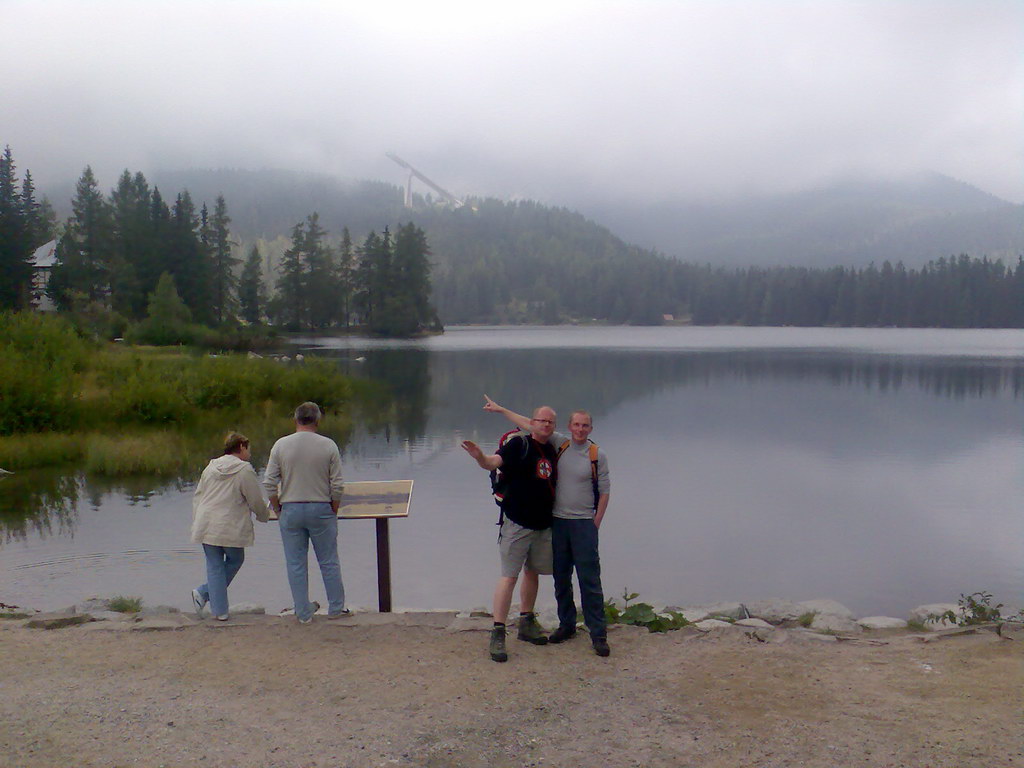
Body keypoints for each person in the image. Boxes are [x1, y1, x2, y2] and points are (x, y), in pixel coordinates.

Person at [484, 396, 612, 657]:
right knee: (560, 577)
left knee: (589, 579)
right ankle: (567, 626)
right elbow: (532, 424)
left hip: (583, 523)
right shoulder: (560, 442)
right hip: (557, 522)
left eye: (585, 425)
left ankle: (598, 634)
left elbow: (605, 491)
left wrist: (595, 521)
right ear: (569, 426)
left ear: (590, 428)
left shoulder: (596, 454)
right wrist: (502, 410)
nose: (580, 429)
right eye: (576, 424)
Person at [461, 405, 559, 662]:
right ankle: (498, 632)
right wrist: (480, 457)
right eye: (541, 421)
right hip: (516, 522)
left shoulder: (553, 448)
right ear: (532, 422)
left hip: (543, 524)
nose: (545, 425)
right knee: (509, 577)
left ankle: (527, 621)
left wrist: (502, 409)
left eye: (550, 422)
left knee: (533, 572)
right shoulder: (518, 445)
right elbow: (494, 462)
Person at [263, 401, 348, 624]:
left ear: (295, 420)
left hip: (290, 508)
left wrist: (278, 507)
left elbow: (269, 482)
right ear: (318, 420)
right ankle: (336, 608)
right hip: (321, 507)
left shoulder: (281, 445)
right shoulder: (328, 445)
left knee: (295, 563)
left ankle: (303, 613)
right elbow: (337, 485)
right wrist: (334, 509)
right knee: (329, 560)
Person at [190, 432, 270, 621]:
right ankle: (203, 592)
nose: (249, 453)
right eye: (248, 448)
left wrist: (196, 521)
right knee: (235, 559)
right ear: (241, 447)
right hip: (229, 525)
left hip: (206, 523)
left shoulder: (210, 467)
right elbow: (255, 499)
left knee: (214, 565)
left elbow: (198, 496)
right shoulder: (244, 470)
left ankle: (219, 611)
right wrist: (264, 515)